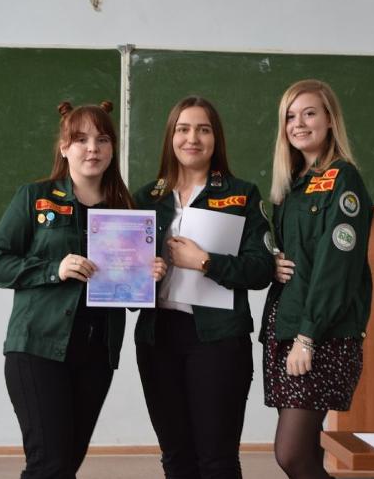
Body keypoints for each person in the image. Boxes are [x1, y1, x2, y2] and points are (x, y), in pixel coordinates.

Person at [0, 101, 167, 479]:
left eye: (102, 140)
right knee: (48, 464)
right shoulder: (34, 197)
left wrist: (148, 276)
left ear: (112, 148)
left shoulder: (126, 211)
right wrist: (55, 269)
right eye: (81, 139)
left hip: (96, 354)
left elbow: (132, 299)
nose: (92, 148)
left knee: (66, 464)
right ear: (64, 147)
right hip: (37, 347)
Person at [133, 96, 275, 479]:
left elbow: (261, 270)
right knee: (176, 457)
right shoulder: (146, 198)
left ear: (216, 138)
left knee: (217, 460)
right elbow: (124, 276)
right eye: (183, 129)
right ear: (171, 137)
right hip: (158, 338)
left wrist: (206, 262)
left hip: (218, 339)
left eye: (203, 129)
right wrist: (140, 275)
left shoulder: (242, 194)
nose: (192, 138)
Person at [261, 80, 373, 479]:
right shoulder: (292, 183)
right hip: (286, 325)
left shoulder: (343, 179)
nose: (299, 124)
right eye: (290, 116)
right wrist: (273, 262)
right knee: (305, 454)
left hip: (319, 333)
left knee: (291, 455)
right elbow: (298, 254)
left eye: (309, 113)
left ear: (329, 119)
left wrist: (307, 337)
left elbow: (336, 267)